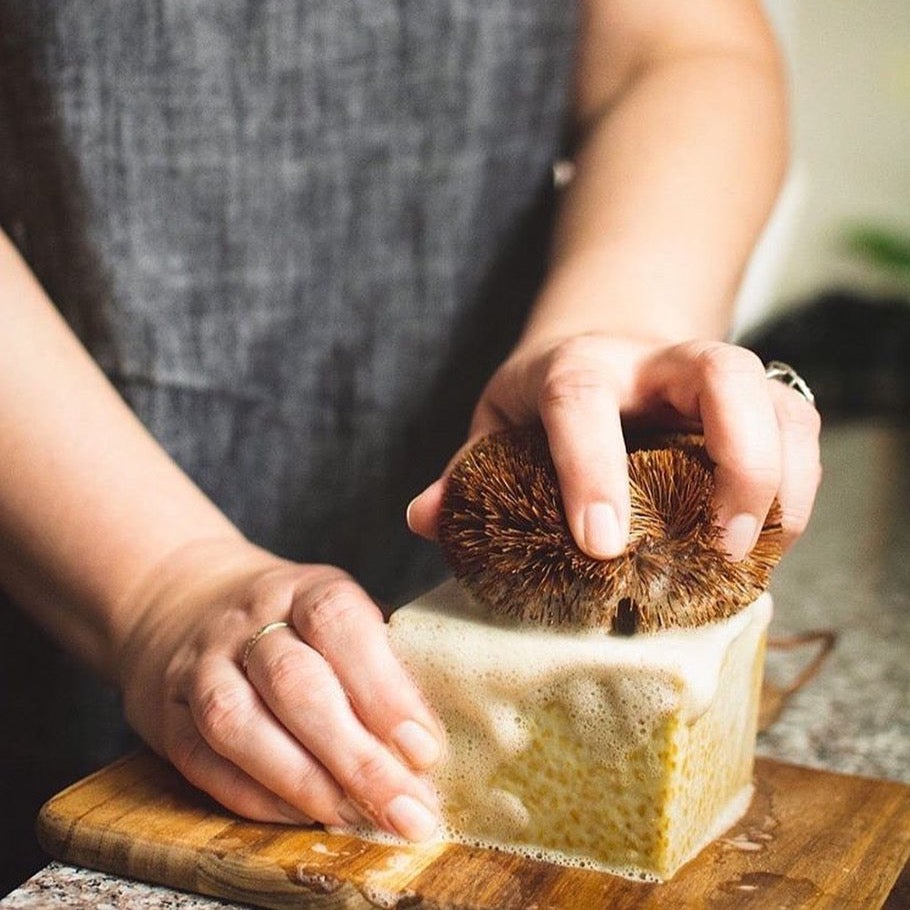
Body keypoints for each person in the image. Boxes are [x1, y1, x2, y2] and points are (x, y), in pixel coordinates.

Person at [0, 0, 820, 876]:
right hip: (54, 562)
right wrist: (159, 585)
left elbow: (682, 48)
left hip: (464, 515)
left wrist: (614, 331)